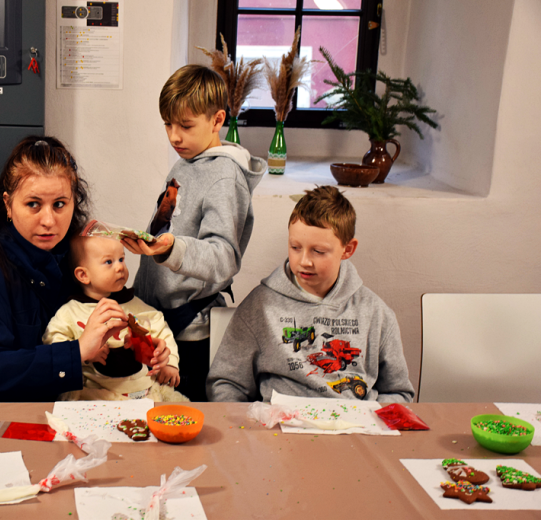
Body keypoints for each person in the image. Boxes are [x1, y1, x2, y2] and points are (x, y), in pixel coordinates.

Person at [0, 136, 171, 403]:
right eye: (33, 204)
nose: (48, 221)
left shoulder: (70, 257)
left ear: (73, 202)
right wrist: (76, 352)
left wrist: (142, 349)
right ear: (8, 204)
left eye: (59, 204)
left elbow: (94, 339)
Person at [123, 64, 267, 402]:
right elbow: (170, 224)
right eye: (168, 125)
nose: (174, 136)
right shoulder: (185, 160)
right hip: (159, 320)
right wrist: (146, 244)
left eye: (185, 126)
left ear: (217, 120)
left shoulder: (225, 177)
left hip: (188, 331)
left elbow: (224, 257)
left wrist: (171, 250)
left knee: (180, 414)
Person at [206, 186, 415, 403]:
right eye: (295, 247)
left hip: (353, 430)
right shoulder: (260, 306)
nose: (304, 261)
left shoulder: (376, 313)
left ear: (348, 249)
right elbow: (226, 383)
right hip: (279, 429)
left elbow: (398, 392)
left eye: (318, 251)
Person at [42, 235, 188, 402]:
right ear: (83, 275)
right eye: (109, 262)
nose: (120, 267)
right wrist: (82, 352)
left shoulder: (138, 306)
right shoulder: (70, 312)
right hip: (95, 397)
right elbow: (53, 343)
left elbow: (162, 331)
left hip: (144, 395)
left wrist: (169, 363)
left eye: (121, 259)